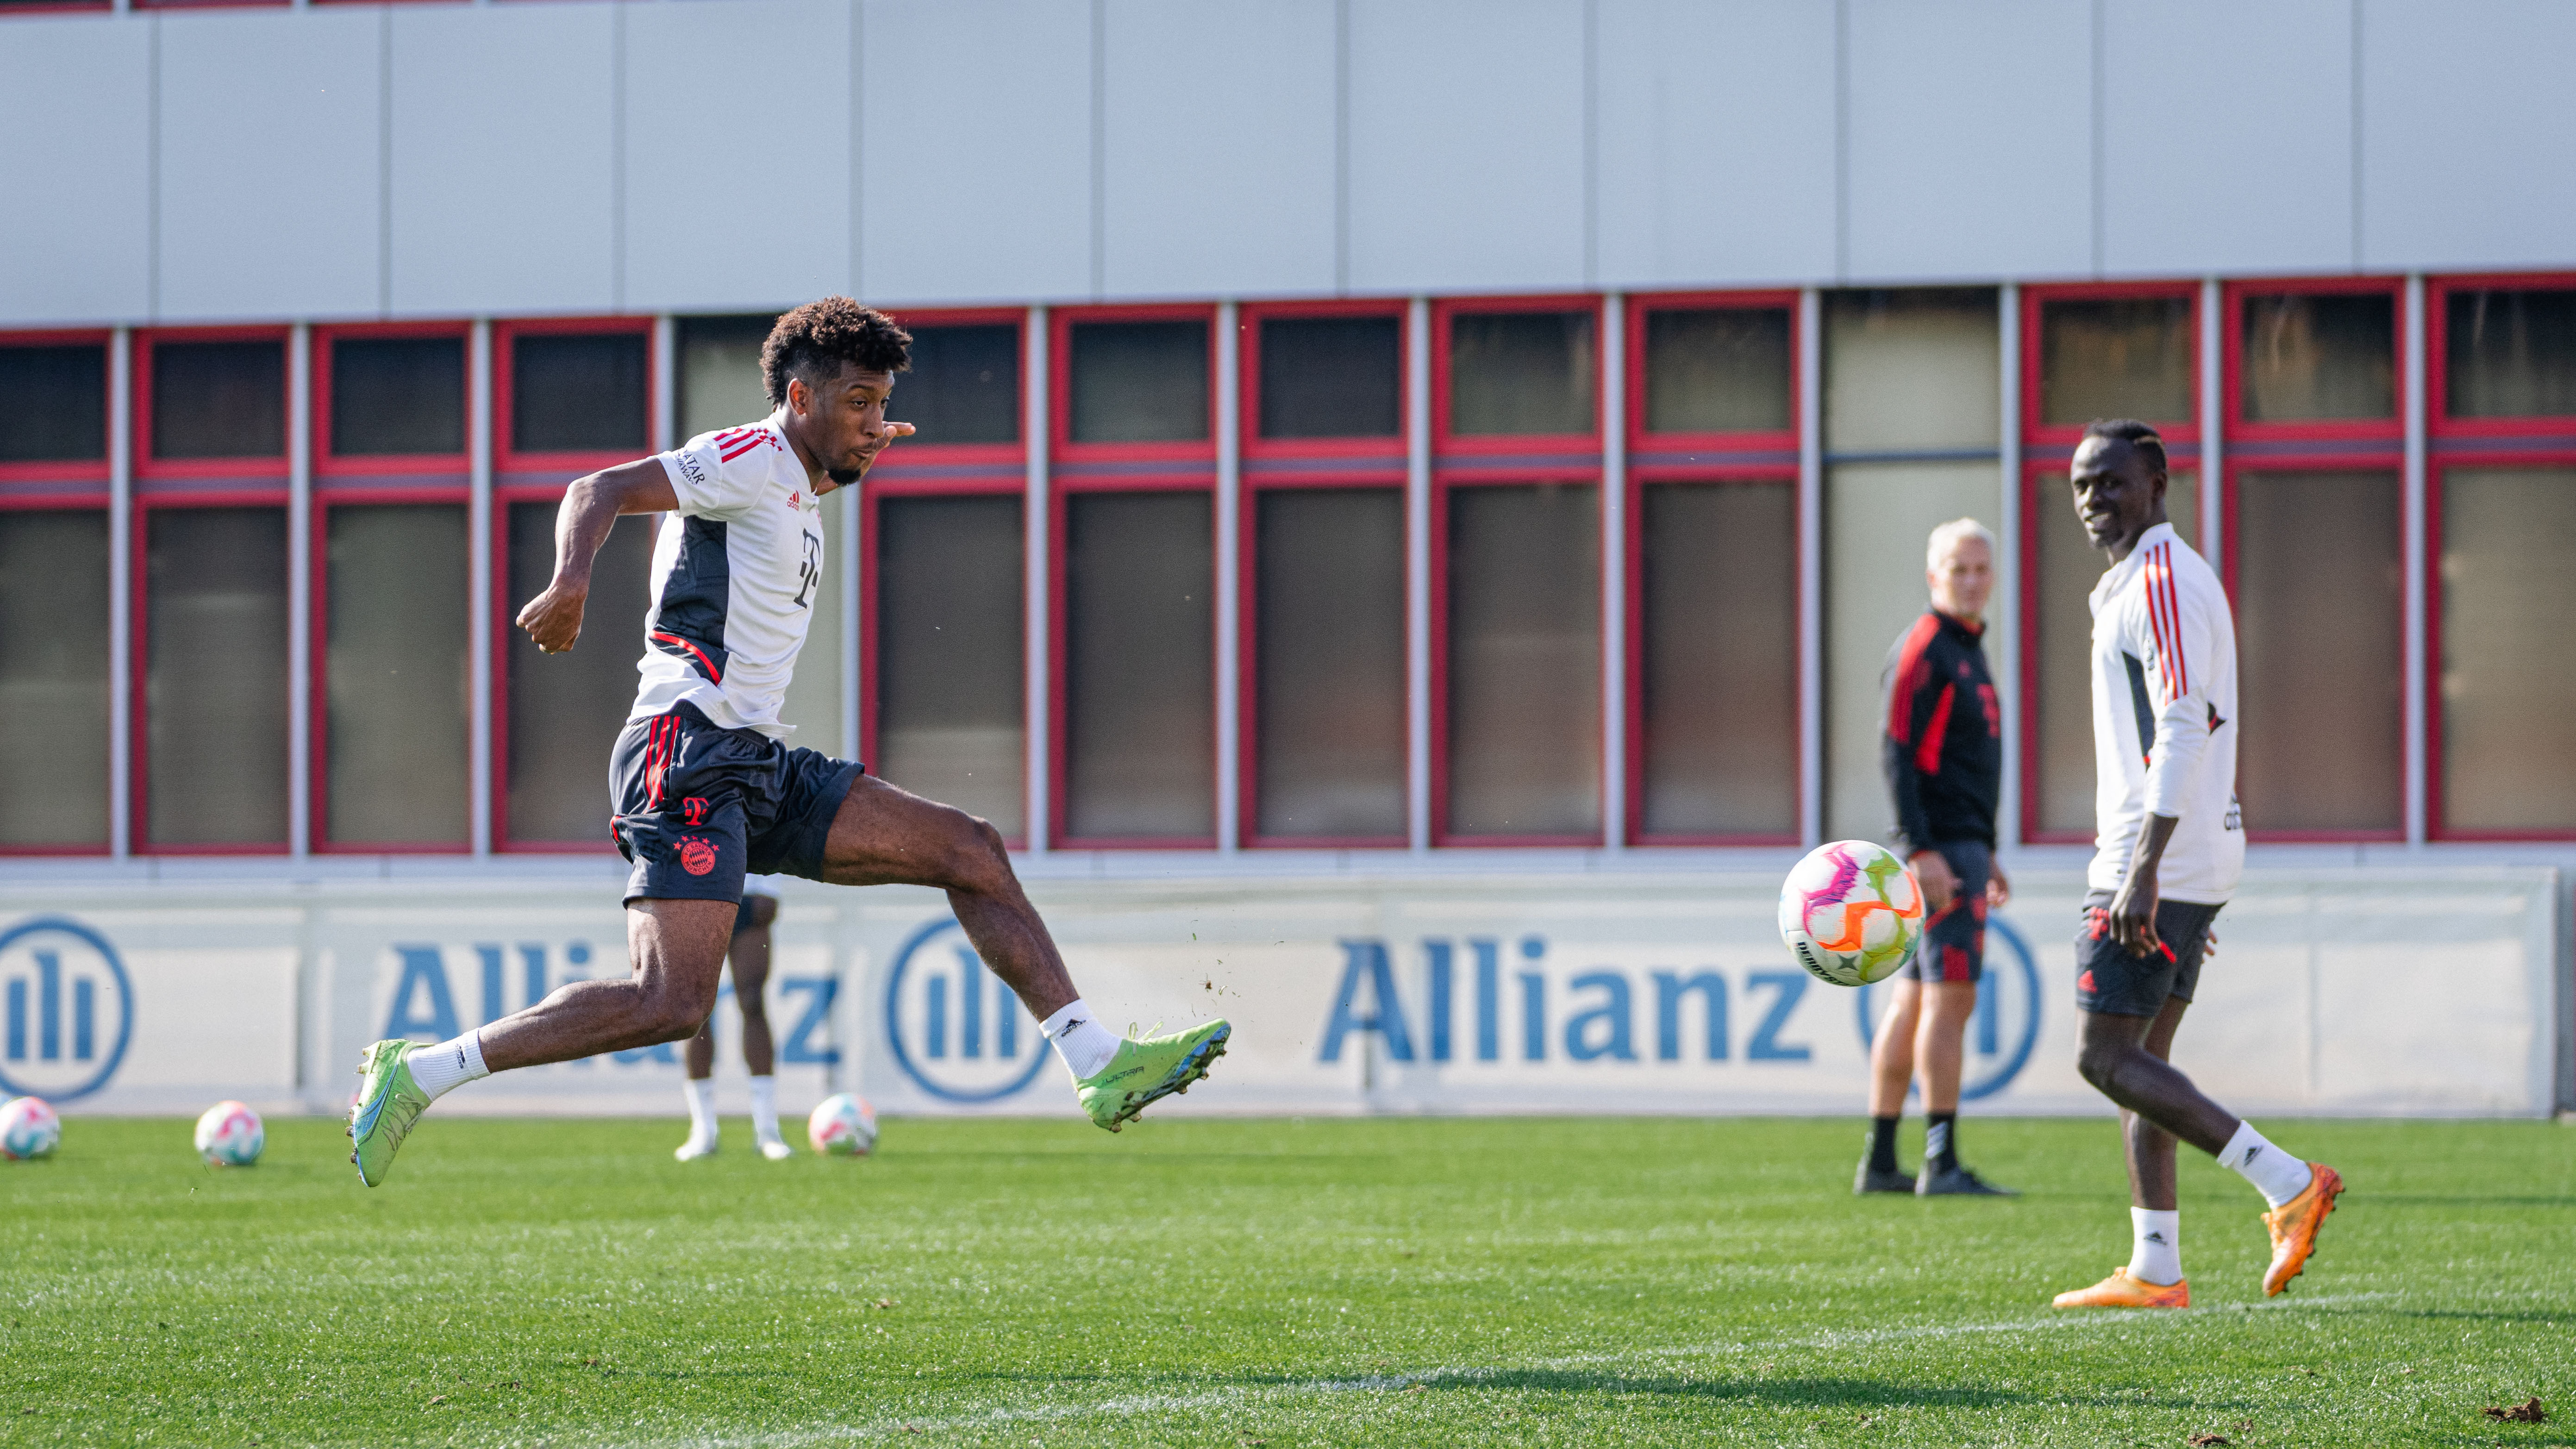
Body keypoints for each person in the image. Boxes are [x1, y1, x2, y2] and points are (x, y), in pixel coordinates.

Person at [346, 299, 1230, 1186]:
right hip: (683, 749)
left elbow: (791, 499)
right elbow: (597, 488)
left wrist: (857, 448)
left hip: (756, 759)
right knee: (672, 1003)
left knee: (972, 848)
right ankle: (420, 1073)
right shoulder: (747, 456)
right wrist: (570, 581)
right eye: (856, 402)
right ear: (799, 395)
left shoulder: (799, 479)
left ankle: (1096, 1060)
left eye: (880, 404)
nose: (873, 421)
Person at [2049, 420, 2340, 1309]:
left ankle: (2286, 1180)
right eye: (2079, 486)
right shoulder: (2135, 583)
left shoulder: (2163, 580)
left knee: (2103, 1057)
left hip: (2155, 857)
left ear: (2157, 481)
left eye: (2110, 481)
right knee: (2145, 1059)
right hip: (2180, 855)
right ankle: (2154, 1265)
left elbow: (2181, 723)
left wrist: (2146, 871)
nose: (2093, 500)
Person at [1857, 519, 2014, 1198]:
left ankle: (1882, 1161)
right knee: (1950, 1003)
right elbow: (1897, 750)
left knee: (1916, 998)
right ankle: (1941, 1161)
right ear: (1933, 577)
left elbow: (1962, 765)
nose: (1972, 580)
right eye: (1959, 569)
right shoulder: (1927, 647)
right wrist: (1920, 849)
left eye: (1981, 568)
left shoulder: (1966, 649)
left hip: (1961, 848)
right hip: (1941, 855)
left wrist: (1990, 850)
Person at [675, 874, 791, 1162]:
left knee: (753, 1001)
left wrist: (768, 889)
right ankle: (703, 1129)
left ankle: (767, 1130)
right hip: (697, 890)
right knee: (697, 1010)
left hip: (749, 890)